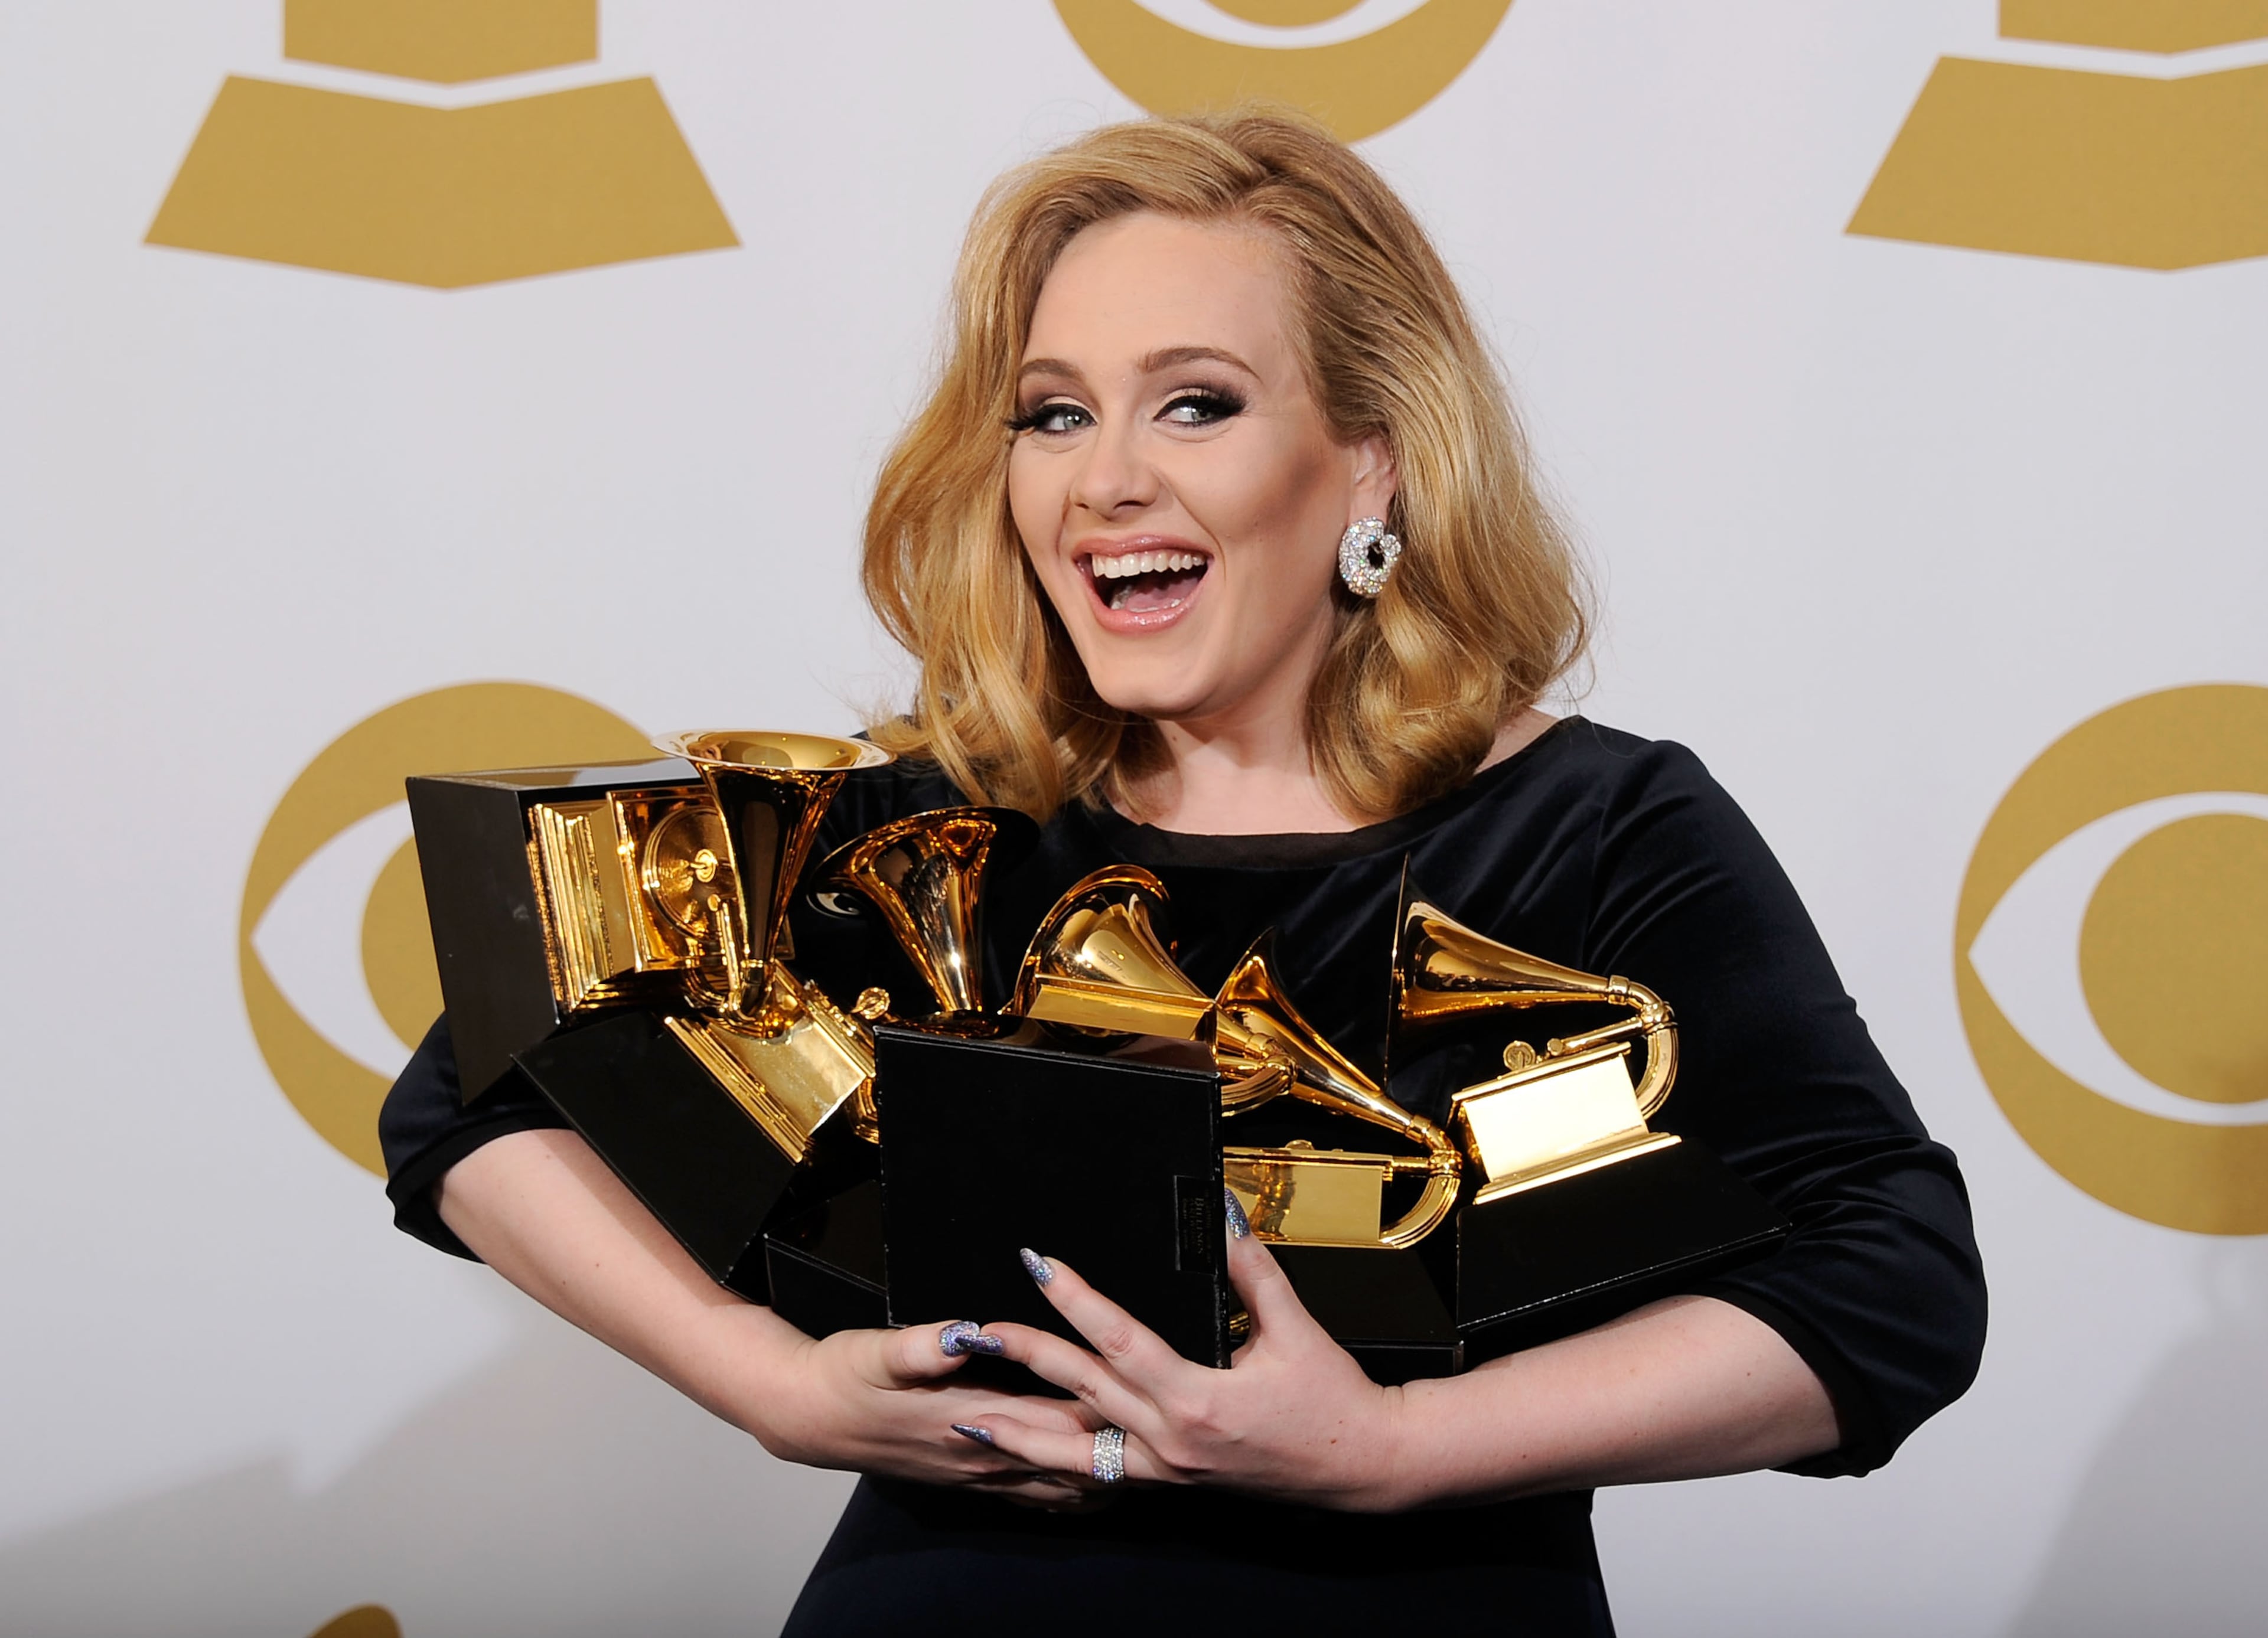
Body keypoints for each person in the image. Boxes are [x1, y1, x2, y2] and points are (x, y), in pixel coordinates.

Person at [380, 108, 1984, 1633]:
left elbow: (1888, 1279)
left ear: (1373, 461)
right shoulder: (937, 829)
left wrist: (1390, 1451)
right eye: (1055, 412)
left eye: (1195, 402)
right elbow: (479, 1088)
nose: (1105, 482)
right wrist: (769, 1384)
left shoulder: (1595, 827)